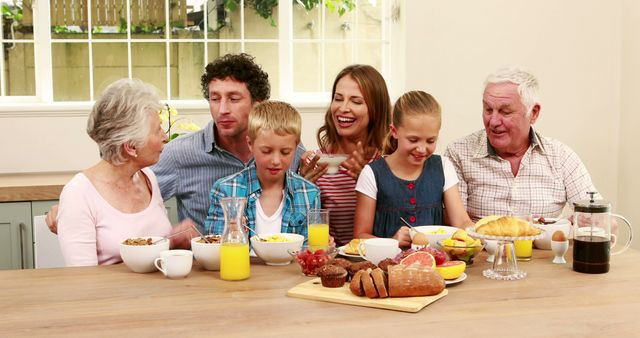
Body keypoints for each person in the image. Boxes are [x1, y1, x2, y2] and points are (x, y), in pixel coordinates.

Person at [46, 53, 305, 234]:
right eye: (215, 98)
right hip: (205, 278)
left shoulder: (286, 149)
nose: (222, 109)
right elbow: (120, 178)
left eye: (234, 98)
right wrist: (68, 206)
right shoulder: (181, 154)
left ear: (258, 103)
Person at [57, 79, 197, 266]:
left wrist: (172, 242)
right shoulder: (78, 194)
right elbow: (83, 280)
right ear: (131, 147)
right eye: (158, 130)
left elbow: (150, 252)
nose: (165, 137)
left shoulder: (147, 178)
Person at [444, 67, 599, 221]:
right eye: (488, 109)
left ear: (533, 113)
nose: (493, 121)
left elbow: (602, 219)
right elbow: (455, 225)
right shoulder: (459, 153)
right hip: (480, 245)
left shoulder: (561, 157)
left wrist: (582, 224)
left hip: (542, 246)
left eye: (505, 112)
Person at [354, 91, 473, 247]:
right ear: (394, 131)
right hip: (388, 267)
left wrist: (478, 232)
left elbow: (461, 221)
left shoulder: (443, 166)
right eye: (413, 140)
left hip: (435, 266)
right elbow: (359, 236)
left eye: (431, 141)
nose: (422, 149)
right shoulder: (372, 174)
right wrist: (391, 242)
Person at [298, 65, 392, 246]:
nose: (343, 108)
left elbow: (396, 222)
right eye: (338, 99)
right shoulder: (316, 162)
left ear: (376, 110)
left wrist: (369, 181)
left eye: (356, 101)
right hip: (328, 262)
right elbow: (298, 228)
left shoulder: (387, 162)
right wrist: (301, 187)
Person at [204, 101, 322, 242]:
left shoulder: (309, 193)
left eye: (285, 152)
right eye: (266, 151)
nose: (276, 160)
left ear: (296, 147)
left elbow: (310, 252)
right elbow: (214, 246)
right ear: (250, 144)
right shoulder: (226, 190)